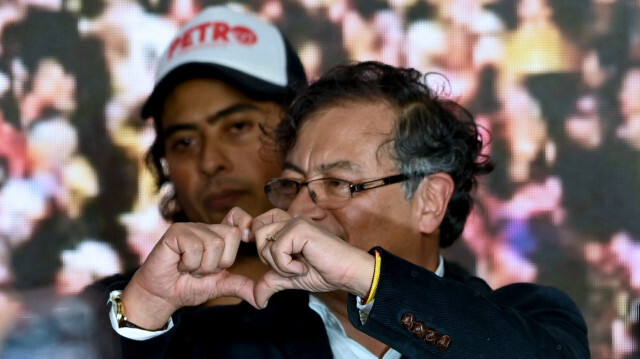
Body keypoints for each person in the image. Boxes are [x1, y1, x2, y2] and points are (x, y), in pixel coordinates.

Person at [95, 61, 590, 358]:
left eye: (337, 183)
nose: (304, 210)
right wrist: (143, 310)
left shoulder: (525, 318)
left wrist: (367, 279)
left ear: (430, 201)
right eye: (293, 185)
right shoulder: (235, 336)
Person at [80, 5, 308, 357]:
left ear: (300, 130)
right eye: (184, 141)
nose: (210, 162)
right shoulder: (107, 311)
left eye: (237, 127)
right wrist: (138, 319)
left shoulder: (368, 291)